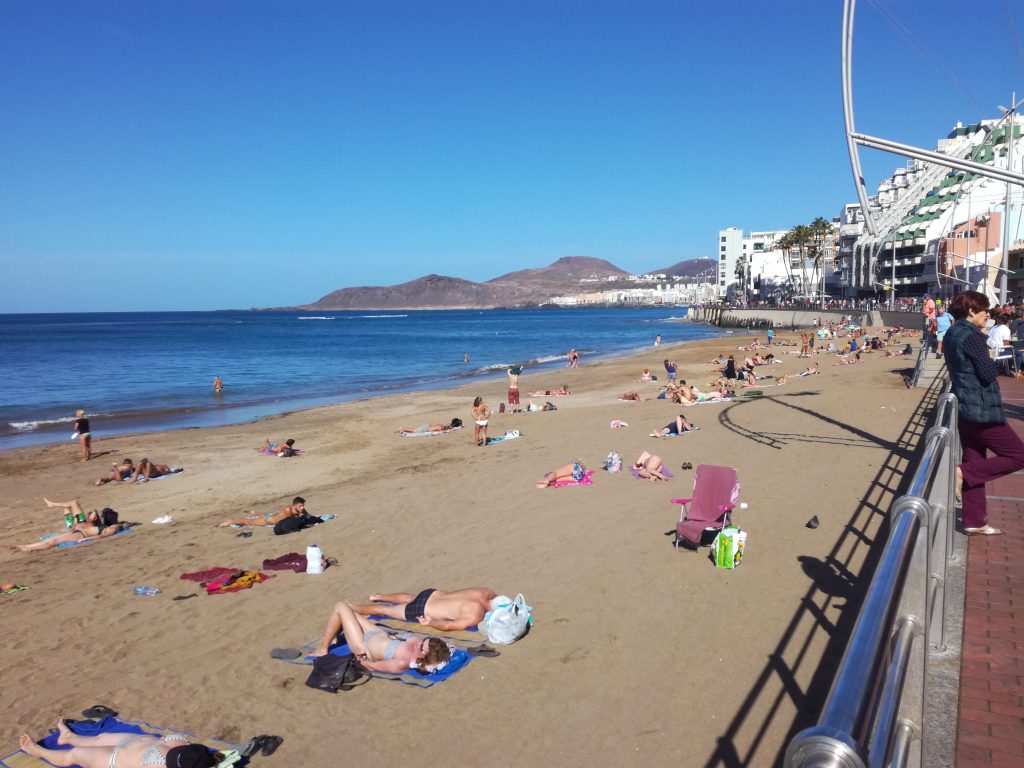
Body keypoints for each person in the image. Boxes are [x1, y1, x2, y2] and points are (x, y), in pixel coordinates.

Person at [944, 290, 1024, 536]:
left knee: (975, 459)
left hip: (964, 408)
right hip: (981, 409)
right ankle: (962, 473)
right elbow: (987, 374)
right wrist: (994, 358)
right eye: (984, 310)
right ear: (971, 310)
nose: (988, 315)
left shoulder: (951, 333)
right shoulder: (973, 337)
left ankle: (974, 520)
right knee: (1019, 456)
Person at [311, 600, 451, 674]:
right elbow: (448, 649)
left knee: (341, 606)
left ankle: (324, 648)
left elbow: (371, 666)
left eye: (421, 647)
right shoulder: (428, 646)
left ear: (423, 657)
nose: (418, 643)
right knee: (348, 609)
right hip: (377, 633)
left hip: (363, 646)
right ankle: (334, 635)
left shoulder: (402, 662)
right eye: (423, 641)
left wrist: (362, 660)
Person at [17, 718, 217, 768]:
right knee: (99, 738)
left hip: (115, 760)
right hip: (135, 742)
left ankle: (36, 750)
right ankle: (67, 737)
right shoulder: (180, 742)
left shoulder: (175, 748)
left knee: (74, 754)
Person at [349, 586, 498, 632]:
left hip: (432, 594)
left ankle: (379, 595)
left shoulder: (484, 591)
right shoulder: (475, 615)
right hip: (423, 609)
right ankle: (352, 608)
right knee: (384, 611)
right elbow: (448, 626)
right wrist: (431, 623)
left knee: (409, 597)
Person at [14, 501, 123, 552]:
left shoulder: (105, 528)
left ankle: (28, 548)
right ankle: (27, 545)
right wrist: (75, 524)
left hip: (80, 535)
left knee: (52, 542)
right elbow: (72, 528)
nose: (92, 515)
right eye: (92, 514)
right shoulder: (94, 524)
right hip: (75, 532)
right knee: (52, 539)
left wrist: (88, 538)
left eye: (94, 514)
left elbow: (104, 536)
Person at [217, 496, 308, 527]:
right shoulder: (288, 510)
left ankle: (255, 513)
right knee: (247, 521)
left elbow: (307, 515)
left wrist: (304, 513)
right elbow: (289, 520)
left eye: (303, 505)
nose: (302, 507)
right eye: (300, 506)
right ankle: (229, 521)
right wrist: (300, 516)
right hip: (268, 520)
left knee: (263, 515)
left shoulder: (299, 509)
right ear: (294, 505)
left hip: (271, 516)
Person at [397, 419, 461, 435]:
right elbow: (431, 430)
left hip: (427, 426)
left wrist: (449, 428)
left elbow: (448, 426)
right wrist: (444, 431)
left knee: (414, 429)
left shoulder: (444, 425)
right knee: (414, 431)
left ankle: (403, 429)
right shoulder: (441, 427)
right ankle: (402, 429)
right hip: (426, 428)